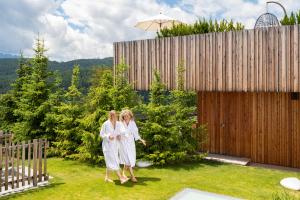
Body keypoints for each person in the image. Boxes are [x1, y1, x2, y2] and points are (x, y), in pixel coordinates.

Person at [100, 110, 128, 184]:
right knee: (114, 162)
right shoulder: (105, 124)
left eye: (117, 115)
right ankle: (121, 178)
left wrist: (119, 136)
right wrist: (108, 136)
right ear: (111, 116)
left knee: (112, 161)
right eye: (115, 116)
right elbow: (102, 134)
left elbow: (121, 132)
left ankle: (107, 177)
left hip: (115, 146)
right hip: (107, 146)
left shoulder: (118, 124)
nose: (116, 117)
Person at [119, 109, 146, 183]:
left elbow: (135, 133)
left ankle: (123, 174)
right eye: (125, 116)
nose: (126, 117)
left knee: (129, 159)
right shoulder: (120, 123)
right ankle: (132, 176)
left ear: (130, 116)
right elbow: (118, 133)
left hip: (130, 143)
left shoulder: (132, 123)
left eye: (127, 116)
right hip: (123, 143)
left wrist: (141, 140)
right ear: (123, 117)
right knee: (128, 160)